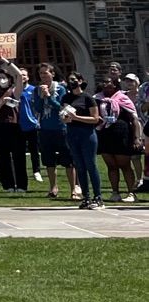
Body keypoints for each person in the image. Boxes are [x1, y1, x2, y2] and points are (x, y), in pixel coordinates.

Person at [33, 63, 74, 201]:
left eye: (46, 73)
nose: (43, 76)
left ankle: (74, 188)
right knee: (49, 161)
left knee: (68, 160)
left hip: (60, 128)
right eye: (41, 73)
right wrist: (41, 96)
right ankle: (53, 187)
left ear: (52, 74)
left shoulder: (61, 89)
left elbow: (61, 107)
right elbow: (38, 108)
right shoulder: (37, 90)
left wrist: (49, 96)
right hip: (45, 128)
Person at [63, 76, 104, 210]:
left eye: (74, 79)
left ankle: (98, 197)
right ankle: (86, 196)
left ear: (81, 81)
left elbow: (95, 118)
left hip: (87, 134)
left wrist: (77, 118)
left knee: (90, 164)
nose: (72, 82)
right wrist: (65, 118)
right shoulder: (66, 98)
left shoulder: (87, 98)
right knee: (79, 166)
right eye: (70, 80)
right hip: (72, 133)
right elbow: (64, 114)